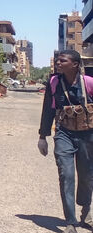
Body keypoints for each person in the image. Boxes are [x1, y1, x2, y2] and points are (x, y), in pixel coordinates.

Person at [38, 50, 93, 233]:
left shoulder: (89, 83)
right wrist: (43, 137)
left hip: (88, 135)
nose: (58, 63)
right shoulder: (54, 82)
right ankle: (71, 221)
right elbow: (48, 109)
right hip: (64, 134)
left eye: (63, 61)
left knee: (87, 176)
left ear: (75, 64)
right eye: (58, 60)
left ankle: (86, 211)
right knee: (66, 174)